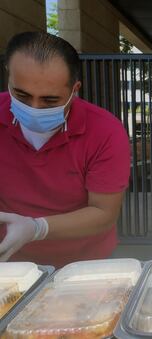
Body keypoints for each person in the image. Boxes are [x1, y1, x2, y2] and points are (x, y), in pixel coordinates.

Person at [0, 31, 131, 267]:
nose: (34, 108)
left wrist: (36, 228)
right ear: (9, 78)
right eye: (22, 95)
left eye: (50, 100)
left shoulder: (105, 132)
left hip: (84, 264)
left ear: (75, 89)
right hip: (10, 262)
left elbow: (103, 213)